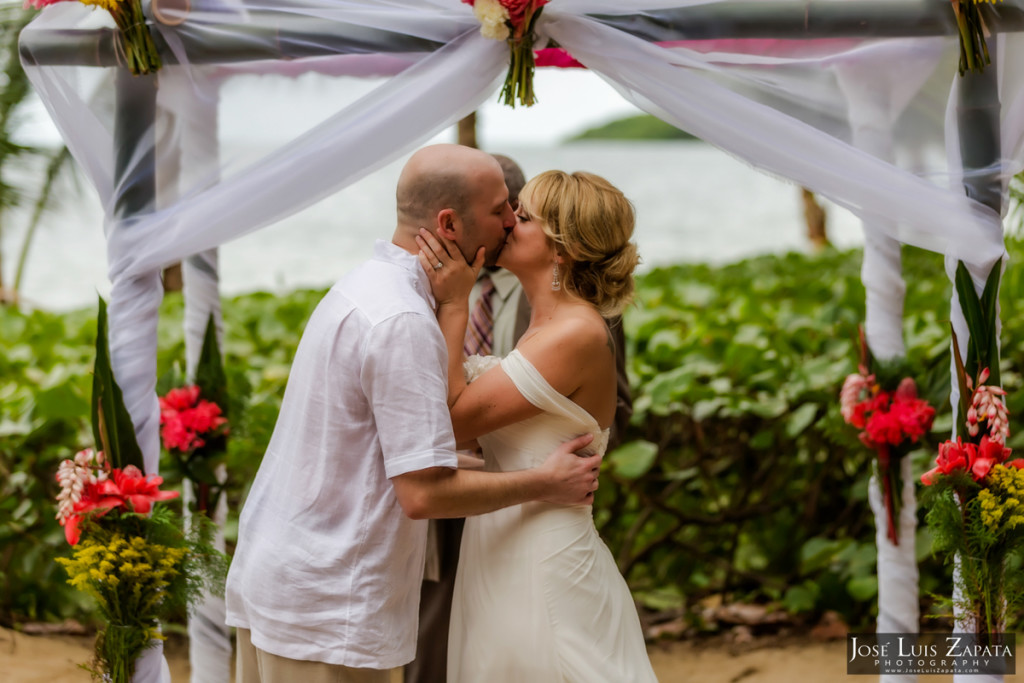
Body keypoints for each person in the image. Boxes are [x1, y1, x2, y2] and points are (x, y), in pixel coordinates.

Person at [223, 145, 603, 683]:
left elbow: (382, 457)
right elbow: (423, 493)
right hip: (333, 608)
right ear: (450, 223)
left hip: (292, 582)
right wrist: (542, 482)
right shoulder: (403, 320)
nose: (510, 220)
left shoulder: (367, 286)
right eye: (500, 209)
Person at [417, 169, 657, 682]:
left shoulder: (575, 334)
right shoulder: (545, 327)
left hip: (543, 562)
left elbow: (452, 420)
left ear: (562, 249)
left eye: (522, 217)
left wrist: (455, 302)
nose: (507, 223)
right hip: (504, 547)